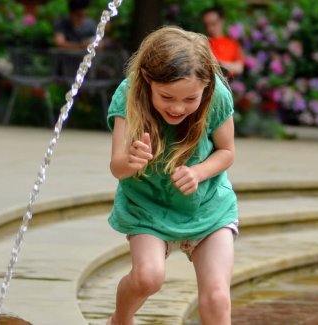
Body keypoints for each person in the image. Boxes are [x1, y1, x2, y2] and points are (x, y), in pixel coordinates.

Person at [105, 26, 238, 325]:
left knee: (217, 296)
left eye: (190, 99)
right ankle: (120, 319)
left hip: (207, 207)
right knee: (148, 278)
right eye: (166, 97)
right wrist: (132, 160)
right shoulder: (129, 94)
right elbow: (117, 166)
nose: (178, 108)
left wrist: (198, 171)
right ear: (148, 81)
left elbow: (227, 152)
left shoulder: (216, 94)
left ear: (206, 86)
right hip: (148, 206)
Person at [202, 6, 244, 78]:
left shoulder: (232, 43)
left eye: (213, 23)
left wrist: (219, 64)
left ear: (222, 21)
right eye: (206, 25)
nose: (210, 28)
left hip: (227, 82)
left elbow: (239, 67)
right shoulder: (202, 43)